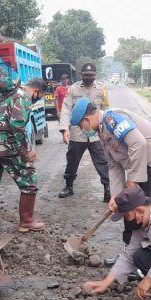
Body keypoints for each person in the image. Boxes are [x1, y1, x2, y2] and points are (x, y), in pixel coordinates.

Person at [71, 98, 151, 244]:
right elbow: (114, 166)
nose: (83, 130)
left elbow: (138, 143)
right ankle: (131, 256)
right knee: (131, 209)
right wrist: (115, 195)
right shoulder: (102, 131)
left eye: (81, 126)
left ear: (87, 119)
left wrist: (132, 181)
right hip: (147, 168)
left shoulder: (112, 119)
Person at [0, 69, 46, 233]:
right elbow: (17, 125)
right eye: (39, 96)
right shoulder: (23, 97)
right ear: (37, 91)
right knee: (30, 180)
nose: (37, 99)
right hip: (6, 146)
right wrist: (26, 151)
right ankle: (26, 221)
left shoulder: (8, 94)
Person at [58, 62, 110, 202]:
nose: (88, 78)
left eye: (91, 75)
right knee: (72, 161)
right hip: (77, 133)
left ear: (95, 75)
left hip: (95, 133)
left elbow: (106, 109)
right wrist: (64, 130)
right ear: (81, 75)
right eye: (86, 75)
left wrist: (107, 130)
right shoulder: (73, 89)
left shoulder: (101, 89)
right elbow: (66, 108)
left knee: (102, 162)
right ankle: (68, 187)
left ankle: (107, 189)